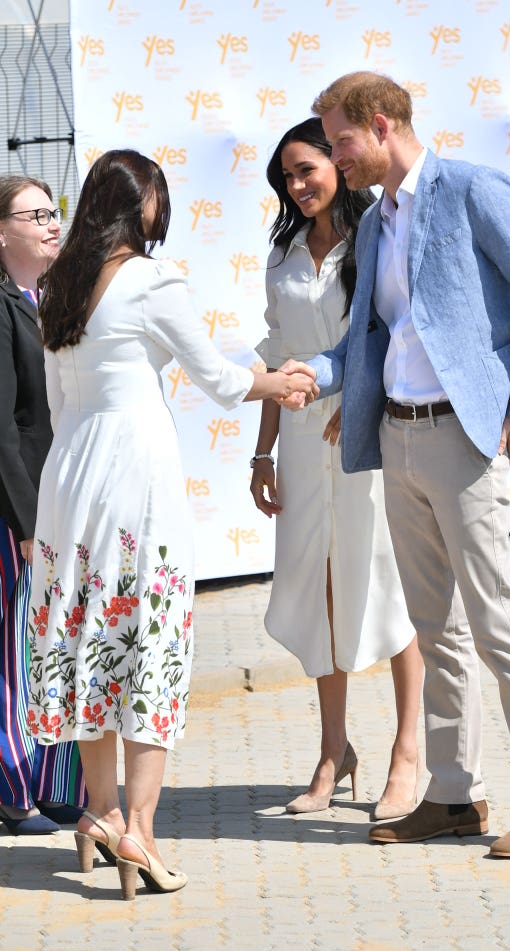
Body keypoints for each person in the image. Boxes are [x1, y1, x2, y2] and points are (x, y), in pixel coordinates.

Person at [284, 71, 510, 858]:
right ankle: (453, 796)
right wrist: (315, 372)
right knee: (436, 629)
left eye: (340, 139)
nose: (333, 156)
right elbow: (369, 339)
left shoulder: (473, 189)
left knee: (496, 623)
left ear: (381, 125)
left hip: (466, 437)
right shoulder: (377, 222)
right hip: (398, 440)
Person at [28, 149, 317, 899]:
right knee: (147, 641)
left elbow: (60, 403)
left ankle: (98, 812)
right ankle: (142, 832)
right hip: (134, 471)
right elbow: (219, 380)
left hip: (69, 472)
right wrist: (279, 381)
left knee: (89, 637)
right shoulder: (151, 280)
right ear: (143, 203)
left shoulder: (59, 284)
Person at [250, 118, 423, 818]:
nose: (297, 186)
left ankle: (408, 751)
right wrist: (262, 450)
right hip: (299, 440)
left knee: (387, 585)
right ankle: (333, 751)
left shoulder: (376, 237)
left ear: (336, 162)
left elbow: (392, 335)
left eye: (307, 170)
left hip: (369, 438)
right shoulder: (283, 251)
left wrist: (356, 400)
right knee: (319, 588)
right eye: (286, 178)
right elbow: (274, 352)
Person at [0, 175, 87, 836]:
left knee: (47, 650)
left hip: (58, 506)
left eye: (54, 210)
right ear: (2, 233)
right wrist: (28, 523)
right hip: (16, 515)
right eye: (35, 215)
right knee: (12, 656)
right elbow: (4, 428)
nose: (52, 223)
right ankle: (12, 793)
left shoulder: (56, 300)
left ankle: (56, 789)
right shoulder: (3, 307)